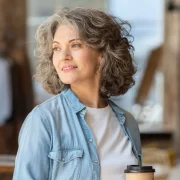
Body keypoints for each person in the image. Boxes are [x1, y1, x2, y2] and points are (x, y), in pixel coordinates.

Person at [13, 7, 142, 180]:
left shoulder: (128, 123)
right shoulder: (44, 120)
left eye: (75, 45)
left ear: (102, 53)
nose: (63, 56)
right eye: (57, 48)